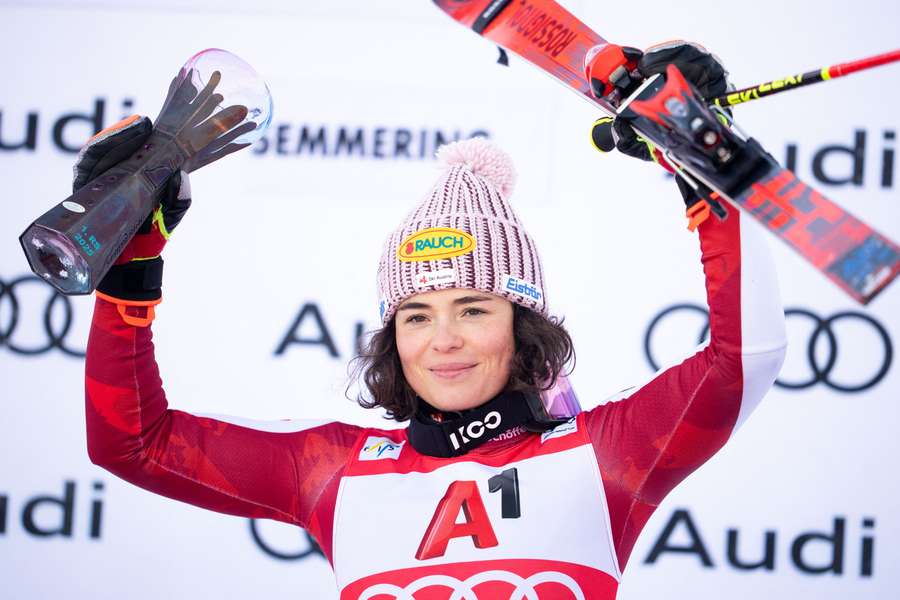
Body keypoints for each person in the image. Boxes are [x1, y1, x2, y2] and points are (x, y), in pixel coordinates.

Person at [84, 43, 787, 599]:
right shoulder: (332, 471)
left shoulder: (605, 455)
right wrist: (130, 269)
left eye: (474, 309)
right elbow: (132, 446)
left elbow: (743, 359)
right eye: (415, 316)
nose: (442, 340)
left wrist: (707, 162)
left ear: (524, 327)